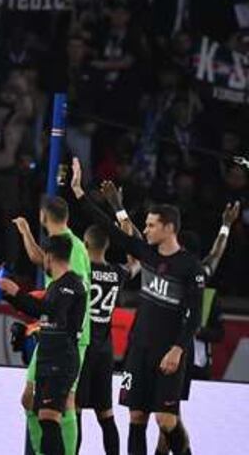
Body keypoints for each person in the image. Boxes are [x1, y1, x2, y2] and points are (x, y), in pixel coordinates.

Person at [79, 174, 204, 455]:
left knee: (166, 420)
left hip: (168, 352)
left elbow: (195, 315)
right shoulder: (147, 254)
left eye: (151, 225)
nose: (145, 230)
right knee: (136, 417)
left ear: (168, 228)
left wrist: (177, 349)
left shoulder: (190, 268)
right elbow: (110, 230)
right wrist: (80, 194)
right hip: (138, 350)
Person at [12, 182, 93, 455]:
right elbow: (42, 259)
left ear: (43, 216)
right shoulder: (59, 246)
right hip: (52, 334)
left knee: (65, 402)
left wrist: (44, 304)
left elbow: (75, 291)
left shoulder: (73, 248)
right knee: (30, 399)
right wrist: (25, 232)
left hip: (70, 339)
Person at [0, 236, 88, 455]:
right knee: (42, 415)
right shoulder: (56, 285)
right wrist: (10, 296)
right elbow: (39, 310)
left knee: (49, 418)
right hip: (47, 357)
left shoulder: (71, 285)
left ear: (49, 257)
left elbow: (51, 311)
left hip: (62, 358)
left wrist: (17, 292)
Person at [77, 226, 125, 455]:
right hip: (105, 351)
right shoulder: (118, 273)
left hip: (83, 349)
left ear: (85, 244)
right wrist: (125, 229)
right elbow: (136, 261)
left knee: (74, 410)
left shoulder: (81, 271)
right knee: (106, 415)